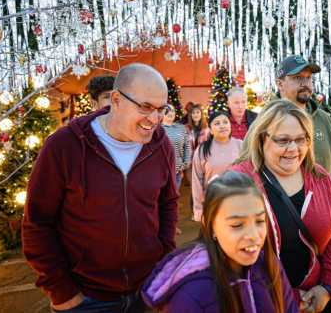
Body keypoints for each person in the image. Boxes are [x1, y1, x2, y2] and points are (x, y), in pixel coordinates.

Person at [22, 63, 179, 313]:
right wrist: (62, 292)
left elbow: (167, 202)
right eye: (145, 107)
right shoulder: (65, 146)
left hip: (147, 290)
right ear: (116, 100)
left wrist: (163, 258)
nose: (155, 119)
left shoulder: (161, 146)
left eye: (161, 109)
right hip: (86, 298)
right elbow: (37, 224)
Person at [231, 99, 331, 313]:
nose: (293, 149)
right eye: (283, 140)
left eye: (301, 140)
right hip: (263, 303)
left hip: (318, 298)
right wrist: (289, 297)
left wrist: (327, 285)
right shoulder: (238, 181)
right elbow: (231, 256)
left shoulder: (320, 177)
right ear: (262, 138)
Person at [141, 171, 298, 313]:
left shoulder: (270, 265)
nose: (253, 235)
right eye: (237, 225)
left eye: (259, 221)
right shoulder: (191, 295)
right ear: (209, 225)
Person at [275, 55, 331, 207]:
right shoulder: (266, 121)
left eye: (308, 78)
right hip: (280, 219)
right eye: (298, 78)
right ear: (280, 84)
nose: (305, 83)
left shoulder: (324, 120)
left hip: (322, 218)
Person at [191, 111, 242, 222]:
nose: (222, 126)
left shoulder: (240, 145)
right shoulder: (202, 150)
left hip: (238, 199)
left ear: (230, 125)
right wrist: (198, 208)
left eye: (225, 122)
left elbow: (250, 174)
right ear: (210, 129)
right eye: (217, 123)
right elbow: (196, 181)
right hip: (213, 201)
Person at [162, 104, 191, 188]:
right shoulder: (157, 129)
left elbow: (187, 146)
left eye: (173, 110)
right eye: (167, 110)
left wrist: (185, 164)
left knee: (173, 198)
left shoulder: (181, 128)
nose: (171, 112)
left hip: (177, 171)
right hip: (161, 171)